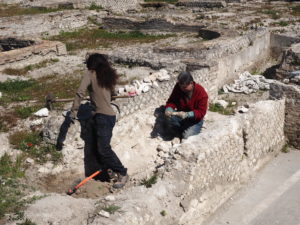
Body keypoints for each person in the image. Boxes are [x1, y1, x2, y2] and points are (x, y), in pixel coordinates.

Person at [70, 53, 128, 189]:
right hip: (107, 117)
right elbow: (112, 94)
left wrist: (73, 112)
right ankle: (109, 171)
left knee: (104, 148)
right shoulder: (106, 74)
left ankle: (122, 172)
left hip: (103, 117)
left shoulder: (90, 73)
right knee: (99, 147)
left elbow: (80, 93)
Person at [164, 71, 208, 140]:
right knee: (168, 118)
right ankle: (178, 135)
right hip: (180, 116)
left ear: (191, 83)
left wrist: (188, 114)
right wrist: (169, 108)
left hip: (194, 121)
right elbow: (172, 101)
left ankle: (185, 132)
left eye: (184, 87)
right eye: (180, 87)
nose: (182, 89)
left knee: (187, 137)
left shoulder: (201, 93)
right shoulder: (178, 87)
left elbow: (201, 112)